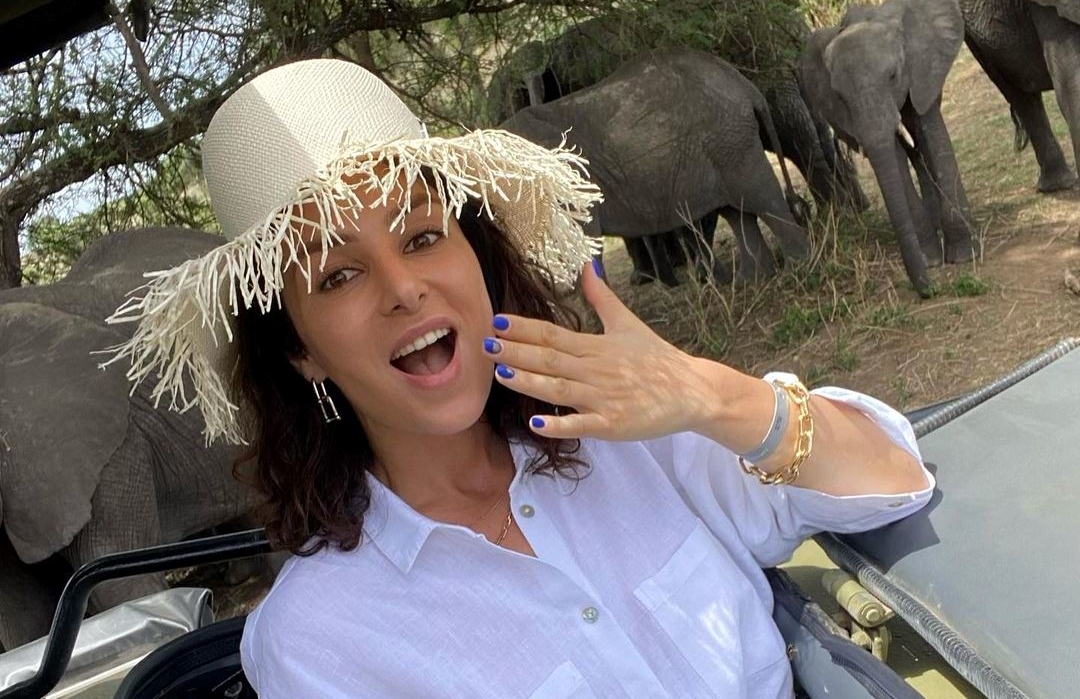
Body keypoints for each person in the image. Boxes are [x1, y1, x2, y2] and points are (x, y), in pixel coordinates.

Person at [105, 58, 933, 698]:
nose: (403, 289)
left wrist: (711, 395)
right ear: (300, 350)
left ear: (478, 259)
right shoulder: (315, 640)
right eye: (338, 275)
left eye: (422, 237)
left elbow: (893, 479)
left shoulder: (630, 432)